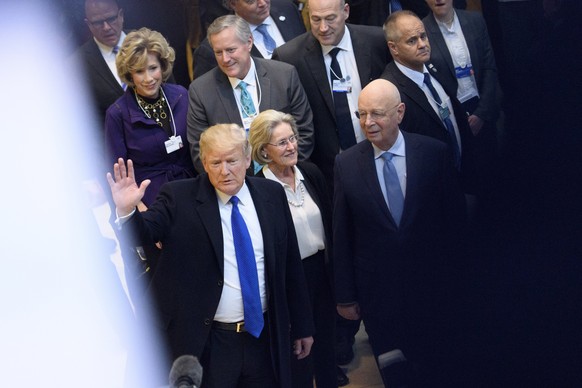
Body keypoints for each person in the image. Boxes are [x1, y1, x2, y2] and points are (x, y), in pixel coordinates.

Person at [106, 123, 315, 387]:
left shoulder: (270, 195)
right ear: (203, 163)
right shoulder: (179, 197)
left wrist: (302, 326)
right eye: (215, 162)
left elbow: (290, 266)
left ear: (248, 158)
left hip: (265, 339)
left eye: (232, 161)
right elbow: (145, 234)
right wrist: (126, 212)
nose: (224, 171)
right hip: (210, 344)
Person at [333, 79, 466, 386]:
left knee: (439, 369)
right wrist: (345, 296)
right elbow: (342, 235)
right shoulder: (346, 164)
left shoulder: (434, 154)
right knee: (396, 375)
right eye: (361, 114)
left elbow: (455, 227)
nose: (368, 122)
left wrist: (462, 282)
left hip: (434, 291)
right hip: (379, 297)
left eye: (377, 113)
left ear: (400, 112)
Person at [248, 110, 336, 388]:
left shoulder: (310, 172)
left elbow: (330, 223)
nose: (292, 146)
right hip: (289, 283)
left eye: (293, 139)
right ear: (263, 150)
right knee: (299, 358)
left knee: (328, 353)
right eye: (282, 143)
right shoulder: (258, 189)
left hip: (322, 274)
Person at [272, 0, 391, 192]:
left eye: (330, 19)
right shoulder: (289, 57)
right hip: (330, 173)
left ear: (346, 11)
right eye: (316, 19)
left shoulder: (376, 40)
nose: (323, 28)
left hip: (381, 154)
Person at [187, 15, 314, 174]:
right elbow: (201, 153)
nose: (225, 59)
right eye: (218, 52)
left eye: (231, 50)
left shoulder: (284, 75)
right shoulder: (201, 91)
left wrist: (283, 174)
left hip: (286, 176)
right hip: (238, 186)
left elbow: (304, 132)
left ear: (248, 42)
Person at [380, 10, 476, 191]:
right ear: (393, 48)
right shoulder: (391, 90)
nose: (423, 44)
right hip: (430, 190)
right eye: (412, 41)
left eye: (423, 36)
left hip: (462, 178)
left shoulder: (435, 65)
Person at [423, 0, 499, 195]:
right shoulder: (421, 31)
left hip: (481, 107)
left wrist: (482, 113)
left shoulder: (475, 20)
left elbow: (490, 67)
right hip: (452, 116)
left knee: (493, 175)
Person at [193, 0, 306, 79]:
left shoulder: (288, 9)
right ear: (233, 4)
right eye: (251, 1)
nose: (262, 3)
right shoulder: (211, 49)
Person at [73, 0, 126, 123]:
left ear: (121, 15)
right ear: (88, 24)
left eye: (111, 19)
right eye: (97, 22)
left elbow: (173, 95)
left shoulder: (149, 43)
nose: (106, 27)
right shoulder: (76, 65)